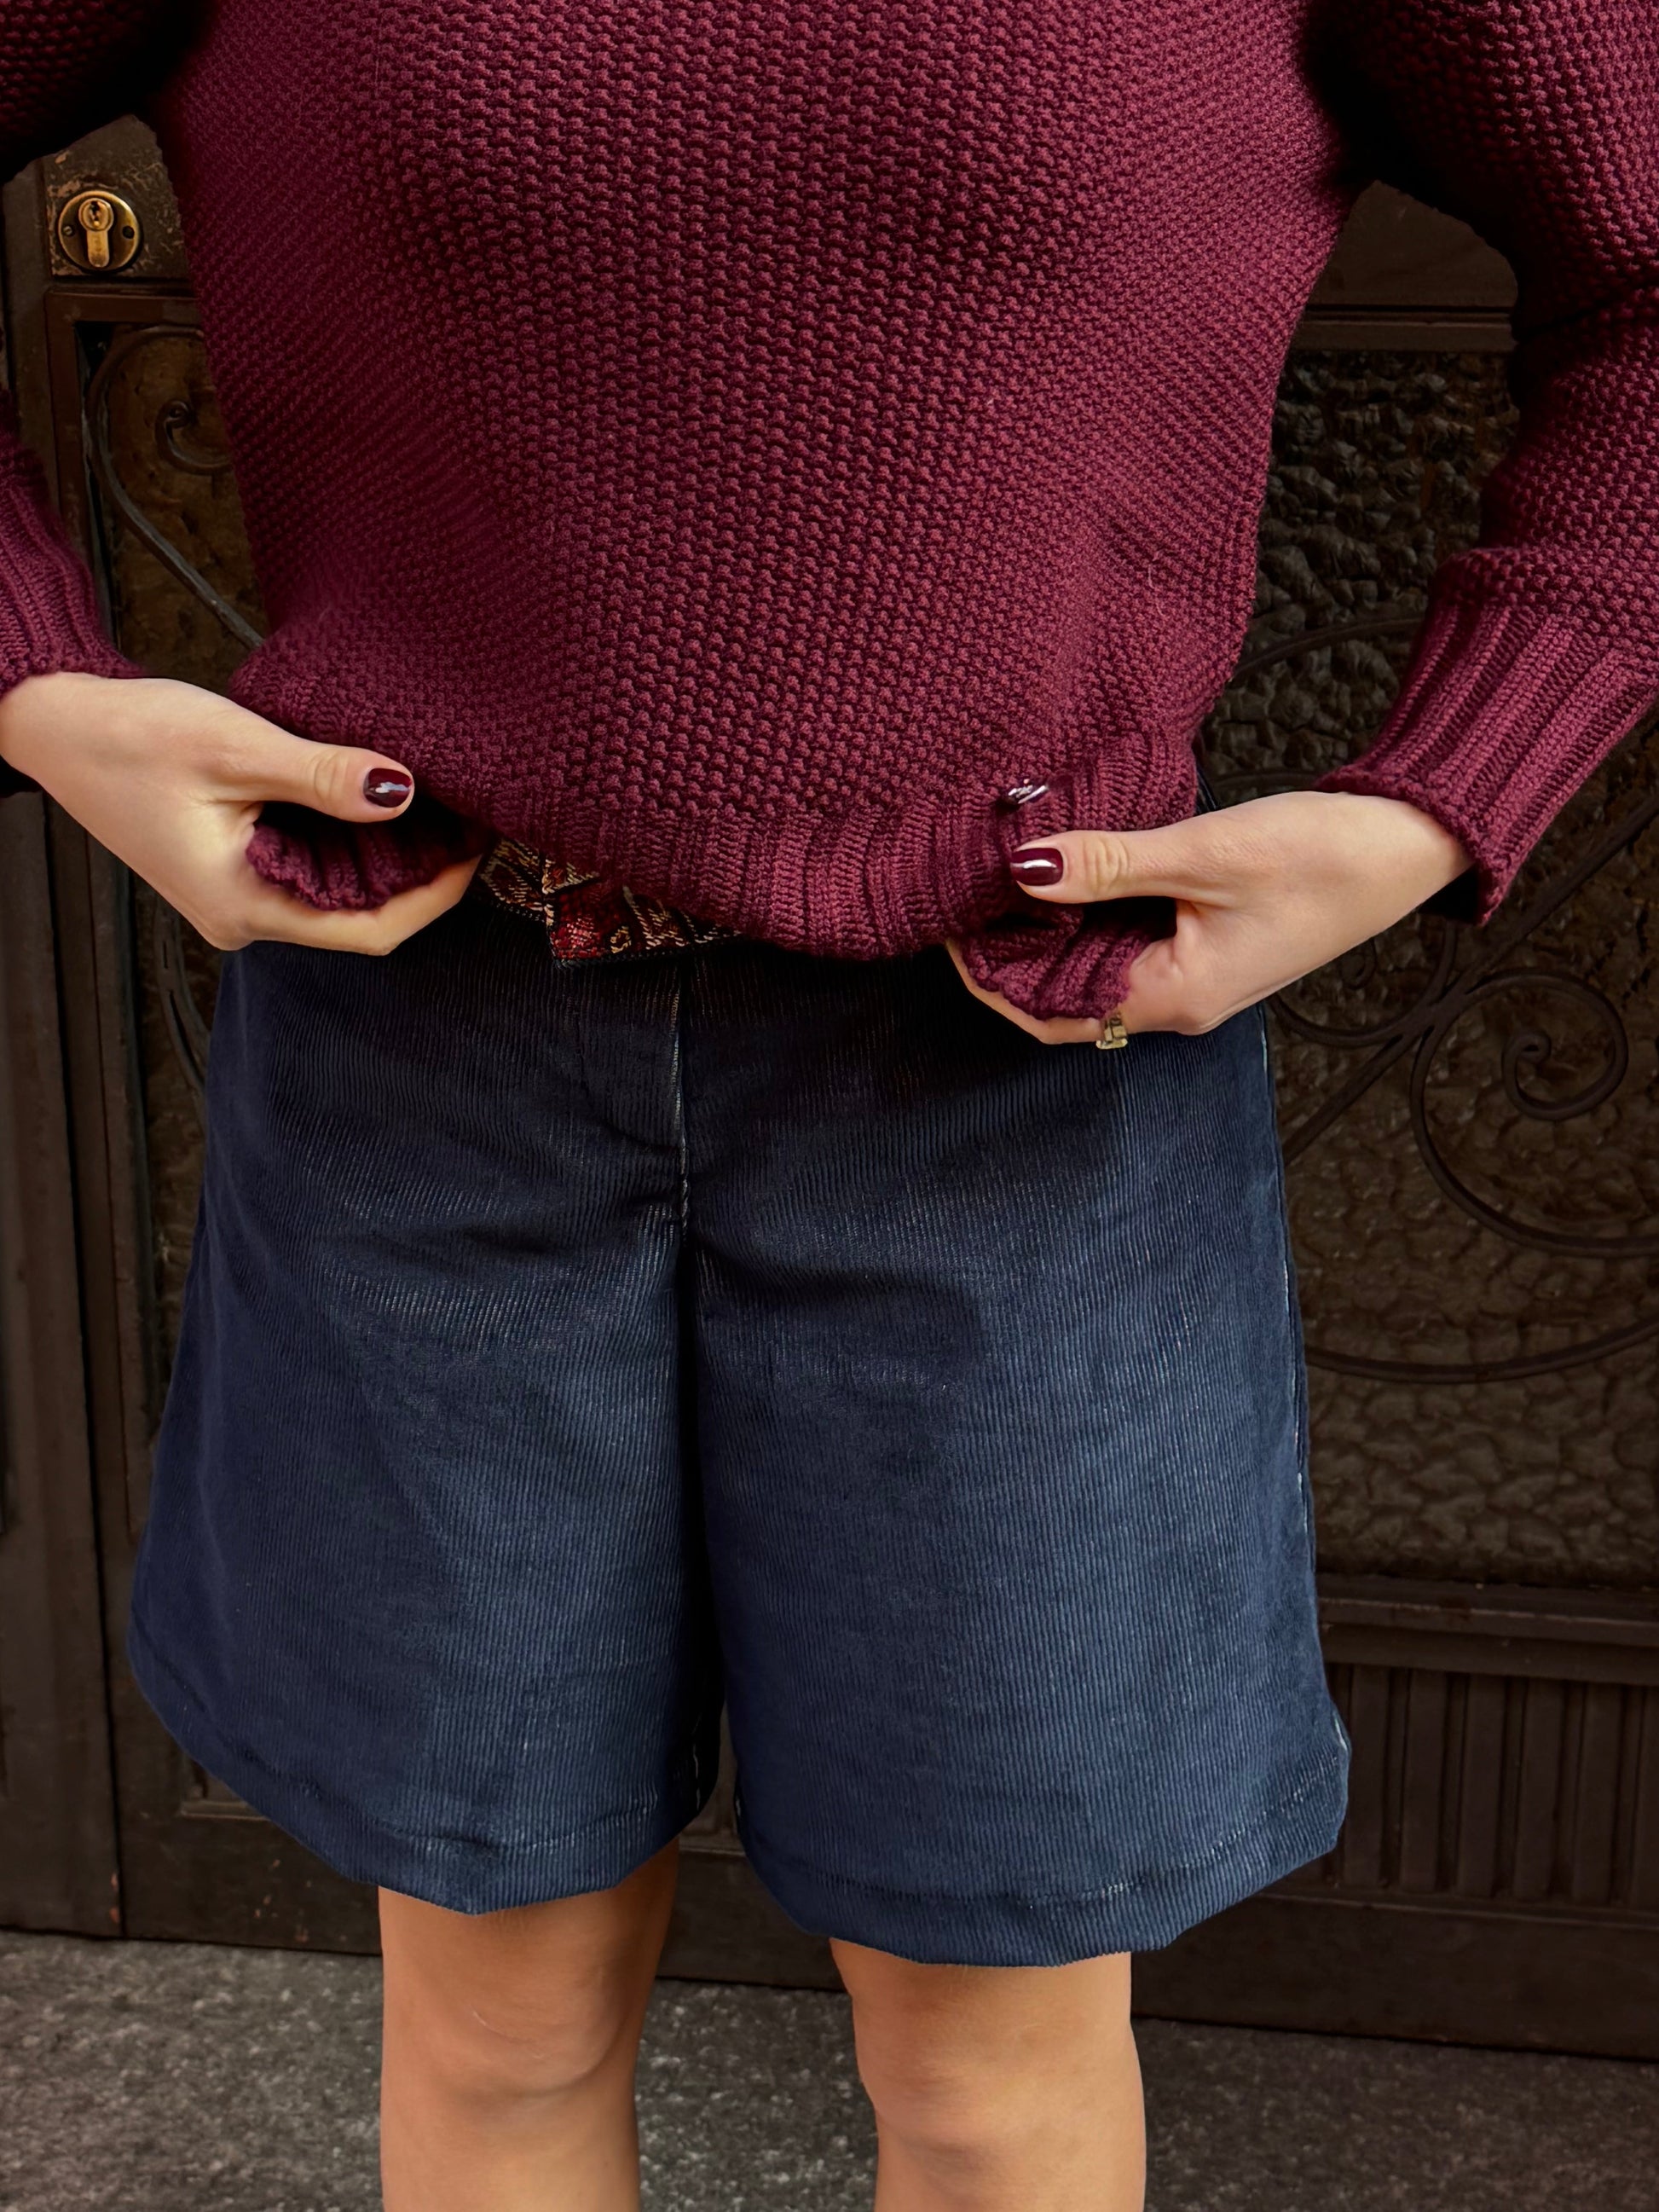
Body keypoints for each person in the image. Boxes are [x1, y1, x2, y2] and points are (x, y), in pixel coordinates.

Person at [2, 4, 1654, 2206]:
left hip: (1026, 1077)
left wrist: (1441, 795)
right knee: (494, 2019)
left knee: (986, 2066)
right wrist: (39, 681)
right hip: (426, 1050)